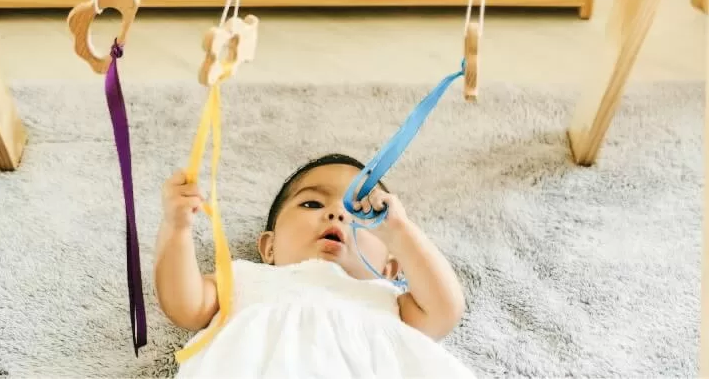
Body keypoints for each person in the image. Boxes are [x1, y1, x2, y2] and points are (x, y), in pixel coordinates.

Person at [154, 153, 474, 377]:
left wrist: (401, 233)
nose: (337, 213)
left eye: (360, 212)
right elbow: (185, 305)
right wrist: (177, 228)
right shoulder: (245, 277)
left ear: (389, 269)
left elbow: (445, 310)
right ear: (269, 247)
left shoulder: (386, 299)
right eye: (312, 203)